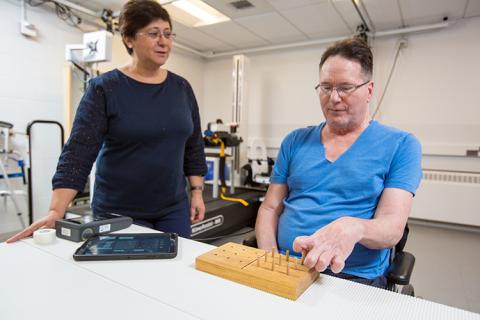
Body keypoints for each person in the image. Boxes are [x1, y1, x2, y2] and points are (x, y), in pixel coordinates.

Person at [7, 0, 207, 242]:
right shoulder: (105, 88)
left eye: (167, 34)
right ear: (129, 39)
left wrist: (196, 192)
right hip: (119, 212)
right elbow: (79, 152)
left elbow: (193, 145)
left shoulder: (181, 88)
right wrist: (56, 211)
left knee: (174, 273)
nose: (163, 41)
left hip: (172, 208)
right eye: (154, 34)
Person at [255, 37, 422, 288]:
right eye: (325, 87)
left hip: (354, 278)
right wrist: (269, 259)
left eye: (345, 87)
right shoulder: (295, 141)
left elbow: (392, 228)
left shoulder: (401, 144)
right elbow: (269, 208)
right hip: (286, 266)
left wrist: (353, 228)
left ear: (369, 89)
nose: (333, 98)